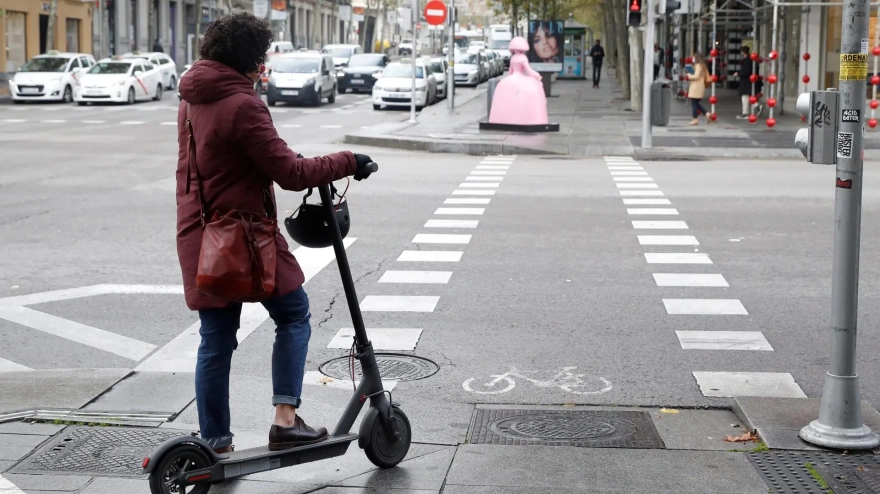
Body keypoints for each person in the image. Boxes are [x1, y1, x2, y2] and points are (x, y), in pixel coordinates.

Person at [175, 12, 375, 454]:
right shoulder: (243, 103)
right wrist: (349, 160)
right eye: (261, 59)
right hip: (244, 238)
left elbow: (217, 161)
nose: (263, 67)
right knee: (293, 313)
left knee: (216, 336)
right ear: (249, 60)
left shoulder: (192, 99)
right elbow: (290, 173)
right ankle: (286, 420)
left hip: (199, 234)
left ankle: (214, 441)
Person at [732, 45, 764, 119]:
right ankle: (757, 106)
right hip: (749, 81)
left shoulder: (747, 61)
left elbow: (746, 71)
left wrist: (738, 74)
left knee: (745, 96)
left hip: (746, 81)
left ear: (743, 52)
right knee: (748, 96)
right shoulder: (751, 60)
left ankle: (746, 113)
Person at [686, 52, 711, 126]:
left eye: (693, 57)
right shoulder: (702, 65)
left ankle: (695, 119)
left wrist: (689, 75)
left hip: (696, 86)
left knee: (694, 103)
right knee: (695, 103)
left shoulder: (698, 65)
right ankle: (706, 113)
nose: (692, 59)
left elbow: (696, 76)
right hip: (699, 86)